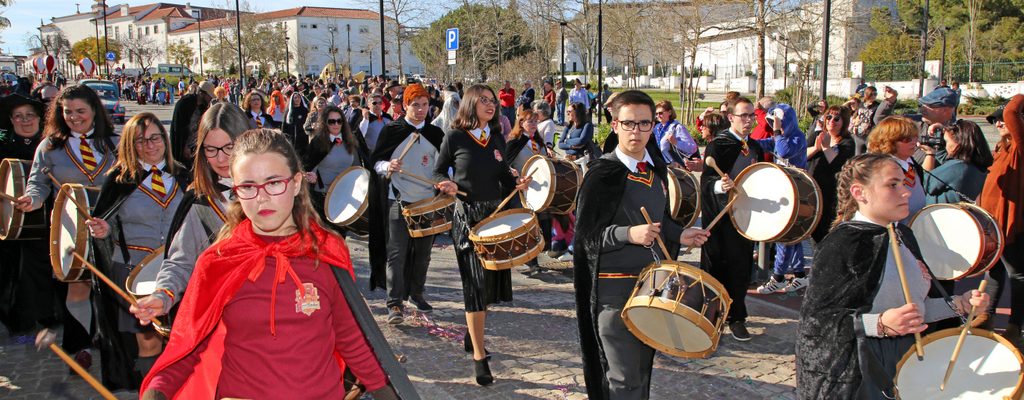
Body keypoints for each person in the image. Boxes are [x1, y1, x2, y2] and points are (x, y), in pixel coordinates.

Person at [138, 129, 399, 400]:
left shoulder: (326, 253)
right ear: (236, 191)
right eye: (248, 186)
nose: (262, 197)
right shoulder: (218, 261)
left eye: (274, 183)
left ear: (297, 183)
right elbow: (189, 345)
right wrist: (157, 392)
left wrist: (385, 391)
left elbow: (350, 337)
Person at [796, 153, 989, 399]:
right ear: (859, 192)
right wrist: (879, 324)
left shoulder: (904, 236)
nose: (906, 192)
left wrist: (958, 305)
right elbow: (817, 322)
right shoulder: (843, 245)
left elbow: (914, 311)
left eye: (904, 183)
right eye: (892, 185)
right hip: (860, 374)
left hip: (905, 361)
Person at [573, 90, 711, 400]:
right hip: (613, 293)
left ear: (654, 126)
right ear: (614, 124)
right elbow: (585, 238)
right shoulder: (602, 174)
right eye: (629, 124)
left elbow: (661, 219)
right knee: (623, 380)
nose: (636, 132)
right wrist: (628, 234)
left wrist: (680, 235)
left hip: (652, 289)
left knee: (642, 375)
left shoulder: (657, 168)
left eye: (644, 124)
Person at [432, 84, 532, 386]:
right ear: (471, 104)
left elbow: (503, 177)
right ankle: (478, 355)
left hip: (495, 218)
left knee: (488, 288)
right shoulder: (455, 137)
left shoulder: (497, 138)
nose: (491, 105)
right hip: (468, 219)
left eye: (493, 101)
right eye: (484, 101)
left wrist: (518, 182)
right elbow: (438, 172)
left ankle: (469, 333)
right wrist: (444, 184)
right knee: (474, 287)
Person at [18, 84, 120, 372]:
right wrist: (33, 199)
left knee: (112, 287)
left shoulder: (115, 141)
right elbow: (37, 184)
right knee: (78, 286)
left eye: (80, 111)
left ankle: (113, 341)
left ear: (94, 111)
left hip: (111, 226)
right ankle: (80, 348)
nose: (74, 117)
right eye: (67, 112)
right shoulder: (50, 146)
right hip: (69, 226)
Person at [86, 113, 189, 389]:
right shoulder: (119, 180)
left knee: (180, 338)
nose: (150, 145)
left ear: (165, 139)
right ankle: (153, 392)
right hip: (134, 271)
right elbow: (105, 224)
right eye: (141, 140)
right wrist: (102, 231)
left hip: (179, 270)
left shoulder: (183, 175)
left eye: (155, 137)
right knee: (148, 339)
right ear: (131, 144)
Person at [130, 103, 250, 331]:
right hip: (227, 316)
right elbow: (180, 261)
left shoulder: (273, 188)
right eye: (211, 149)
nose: (221, 158)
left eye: (229, 147)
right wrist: (163, 294)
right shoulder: (199, 200)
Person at [367, 84, 445, 324]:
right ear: (405, 106)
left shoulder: (436, 134)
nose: (420, 110)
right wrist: (387, 166)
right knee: (397, 253)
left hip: (427, 202)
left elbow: (444, 167)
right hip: (397, 200)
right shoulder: (392, 131)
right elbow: (375, 162)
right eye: (415, 105)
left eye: (424, 105)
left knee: (422, 254)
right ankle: (394, 303)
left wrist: (446, 181)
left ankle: (416, 293)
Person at [700, 97, 765, 341]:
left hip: (745, 218)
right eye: (743, 116)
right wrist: (719, 185)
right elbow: (706, 182)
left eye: (752, 116)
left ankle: (737, 317)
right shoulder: (719, 145)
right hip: (721, 219)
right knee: (717, 267)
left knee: (741, 268)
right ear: (731, 118)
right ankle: (712, 316)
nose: (748, 121)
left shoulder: (756, 148)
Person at [0, 95, 49, 336]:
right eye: (18, 116)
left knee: (42, 267)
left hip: (45, 218)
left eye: (30, 115)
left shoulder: (50, 146)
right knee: (13, 270)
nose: (25, 120)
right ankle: (18, 321)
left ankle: (49, 314)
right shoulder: (3, 148)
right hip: (11, 223)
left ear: (39, 118)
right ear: (11, 120)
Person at [978, 95, 1024, 347]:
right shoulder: (1002, 150)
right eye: (994, 121)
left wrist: (1019, 96)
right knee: (994, 271)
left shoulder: (1020, 145)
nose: (998, 123)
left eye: (1000, 119)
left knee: (1017, 275)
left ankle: (1016, 326)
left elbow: (1012, 113)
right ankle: (985, 317)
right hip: (995, 224)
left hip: (1013, 225)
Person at [303, 105, 370, 235]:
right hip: (323, 197)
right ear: (325, 123)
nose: (336, 124)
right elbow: (308, 165)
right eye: (331, 121)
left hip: (345, 196)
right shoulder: (318, 142)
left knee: (340, 237)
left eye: (339, 121)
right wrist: (312, 176)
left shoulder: (350, 140)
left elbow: (357, 168)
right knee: (325, 236)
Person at [805, 105, 857, 244]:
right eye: (829, 117)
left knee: (825, 232)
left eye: (836, 119)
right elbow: (803, 154)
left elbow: (838, 164)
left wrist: (827, 147)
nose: (831, 121)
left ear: (844, 122)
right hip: (813, 190)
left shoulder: (848, 142)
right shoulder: (818, 135)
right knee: (813, 230)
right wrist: (816, 148)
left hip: (831, 194)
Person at [867, 117, 926, 223]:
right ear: (889, 141)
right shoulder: (881, 169)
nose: (915, 142)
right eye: (907, 139)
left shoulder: (912, 163)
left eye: (916, 137)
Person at [920, 119, 992, 204]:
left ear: (958, 143)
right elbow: (944, 157)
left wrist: (930, 154)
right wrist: (944, 132)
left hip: (937, 214)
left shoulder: (958, 167)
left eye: (946, 141)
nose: (946, 146)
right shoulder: (976, 166)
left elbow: (923, 183)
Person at [168, 81, 214, 170]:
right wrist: (185, 146)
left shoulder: (204, 107)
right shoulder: (184, 103)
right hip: (182, 146)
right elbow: (178, 128)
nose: (210, 98)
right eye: (209, 96)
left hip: (196, 146)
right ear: (201, 93)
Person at [653, 100, 700, 169]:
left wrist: (676, 142)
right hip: (662, 166)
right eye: (656, 114)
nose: (658, 116)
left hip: (676, 168)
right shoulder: (657, 128)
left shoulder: (677, 127)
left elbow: (692, 148)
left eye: (660, 113)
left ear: (669, 112)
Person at [852, 86, 880, 155]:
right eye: (871, 94)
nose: (873, 96)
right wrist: (855, 126)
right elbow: (857, 116)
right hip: (859, 134)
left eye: (875, 94)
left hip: (870, 134)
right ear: (867, 94)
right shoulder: (861, 105)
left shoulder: (877, 105)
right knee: (858, 156)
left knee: (870, 156)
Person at [282, 92, 309, 159]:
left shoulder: (305, 111)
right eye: (295, 98)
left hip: (303, 140)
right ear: (292, 99)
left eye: (299, 97)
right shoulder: (288, 112)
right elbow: (284, 126)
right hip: (291, 140)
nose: (297, 99)